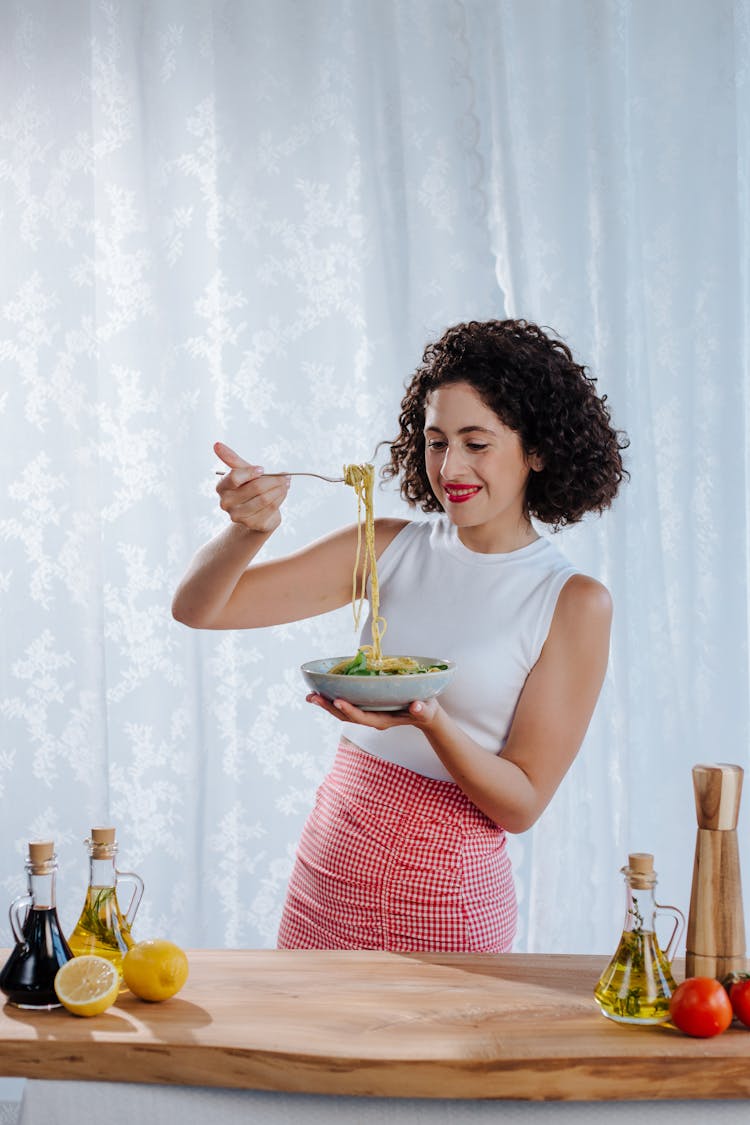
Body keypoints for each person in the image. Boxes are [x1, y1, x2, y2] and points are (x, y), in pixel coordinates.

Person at [172, 318, 628, 953]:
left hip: (447, 888)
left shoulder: (572, 601)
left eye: (477, 443)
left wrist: (428, 720)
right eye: (436, 442)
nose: (450, 466)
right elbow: (200, 608)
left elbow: (521, 805)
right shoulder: (387, 546)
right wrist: (251, 529)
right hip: (330, 864)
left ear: (538, 450)